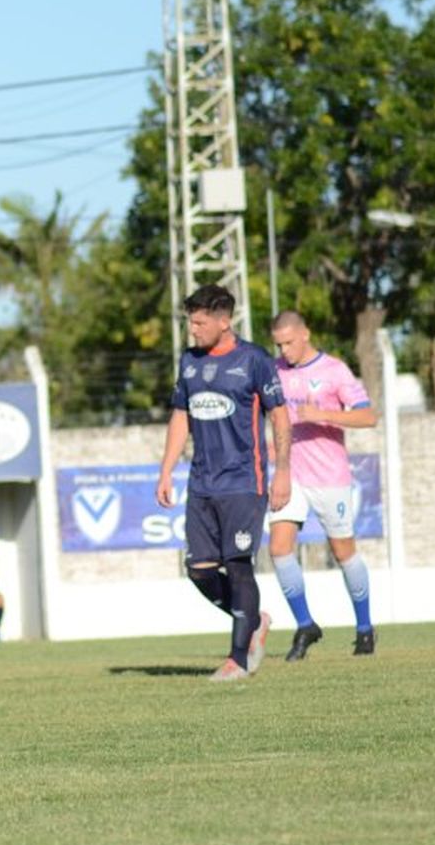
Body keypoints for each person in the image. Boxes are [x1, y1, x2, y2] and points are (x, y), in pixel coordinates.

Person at [156, 285, 291, 682]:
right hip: (201, 483)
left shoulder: (254, 360)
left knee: (238, 567)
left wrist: (283, 470)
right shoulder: (189, 362)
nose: (193, 330)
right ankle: (254, 620)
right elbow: (181, 416)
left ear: (224, 321)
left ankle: (238, 658)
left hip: (244, 481)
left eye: (199, 322)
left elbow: (280, 417)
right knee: (199, 569)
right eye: (190, 322)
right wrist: (166, 470)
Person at [269, 311, 380, 659]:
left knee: (342, 551)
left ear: (305, 334)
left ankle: (364, 629)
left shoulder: (333, 370)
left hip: (330, 477)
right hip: (291, 475)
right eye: (279, 344)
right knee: (279, 547)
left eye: (289, 342)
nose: (284, 350)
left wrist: (325, 415)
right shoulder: (274, 371)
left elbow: (368, 415)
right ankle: (305, 625)